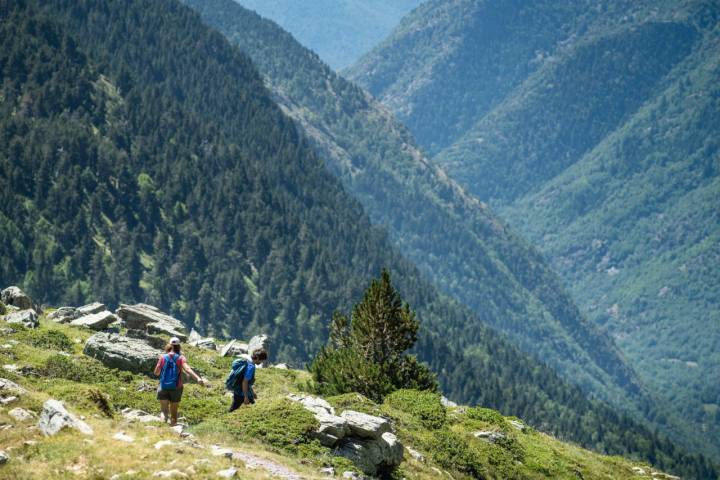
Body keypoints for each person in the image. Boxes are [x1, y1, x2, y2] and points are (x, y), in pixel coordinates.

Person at [154, 337, 205, 426]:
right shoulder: (180, 358)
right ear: (179, 346)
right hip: (176, 388)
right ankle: (173, 430)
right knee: (174, 413)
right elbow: (187, 369)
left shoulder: (162, 357)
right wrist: (197, 378)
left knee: (164, 411)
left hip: (163, 386)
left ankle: (162, 429)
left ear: (169, 345)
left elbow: (156, 372)